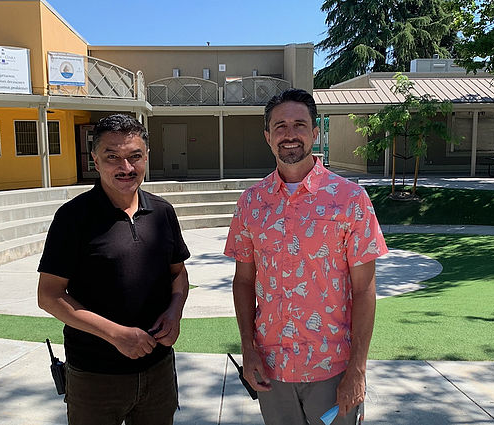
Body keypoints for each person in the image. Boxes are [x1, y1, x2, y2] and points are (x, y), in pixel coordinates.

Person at [224, 89, 388, 424]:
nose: (289, 134)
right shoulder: (251, 203)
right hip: (272, 369)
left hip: (333, 368)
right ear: (268, 137)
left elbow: (364, 290)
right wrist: (248, 350)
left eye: (300, 124)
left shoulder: (350, 199)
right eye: (280, 126)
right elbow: (243, 281)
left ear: (315, 133)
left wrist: (357, 369)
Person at [37, 114, 190, 425]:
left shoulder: (162, 213)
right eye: (113, 157)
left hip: (159, 369)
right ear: (95, 160)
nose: (126, 167)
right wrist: (117, 335)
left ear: (147, 157)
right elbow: (49, 296)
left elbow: (178, 273)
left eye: (135, 156)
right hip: (95, 376)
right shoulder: (72, 218)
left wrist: (175, 311)